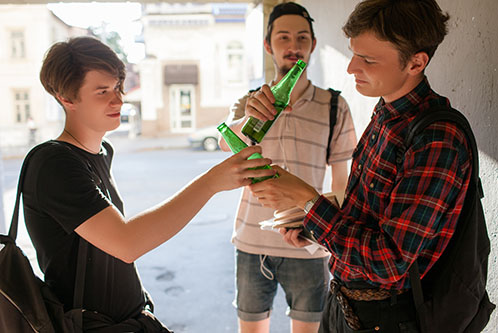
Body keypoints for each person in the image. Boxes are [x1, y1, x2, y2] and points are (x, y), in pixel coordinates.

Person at [21, 36, 275, 332]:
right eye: (102, 91)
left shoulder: (101, 152)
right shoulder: (53, 163)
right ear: (66, 98)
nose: (118, 100)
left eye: (117, 87)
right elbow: (127, 243)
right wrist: (211, 182)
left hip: (130, 319)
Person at [249, 0, 474, 331]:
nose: (351, 67)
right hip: (343, 301)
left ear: (416, 63)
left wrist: (307, 200)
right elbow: (369, 212)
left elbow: (391, 262)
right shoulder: (386, 111)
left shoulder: (436, 137)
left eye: (368, 59)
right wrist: (313, 226)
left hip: (387, 317)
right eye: (353, 53)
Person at [218, 3, 357, 332]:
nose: (293, 45)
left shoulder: (335, 105)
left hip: (308, 245)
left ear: (313, 44)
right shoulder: (250, 100)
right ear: (268, 46)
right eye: (283, 37)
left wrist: (317, 234)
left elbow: (341, 185)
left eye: (301, 37)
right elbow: (225, 144)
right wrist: (252, 116)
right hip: (251, 243)